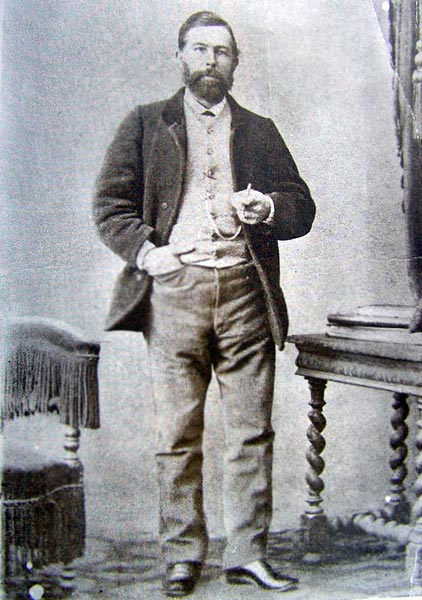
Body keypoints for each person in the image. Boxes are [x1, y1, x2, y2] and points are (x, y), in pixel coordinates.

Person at [93, 10, 316, 597]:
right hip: (175, 295)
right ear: (180, 57)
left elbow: (301, 205)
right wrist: (149, 253)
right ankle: (182, 557)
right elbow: (110, 207)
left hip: (246, 293)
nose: (210, 61)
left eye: (221, 51)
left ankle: (247, 555)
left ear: (236, 63)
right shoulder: (146, 124)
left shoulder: (260, 130)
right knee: (177, 434)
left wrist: (269, 207)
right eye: (199, 49)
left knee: (251, 432)